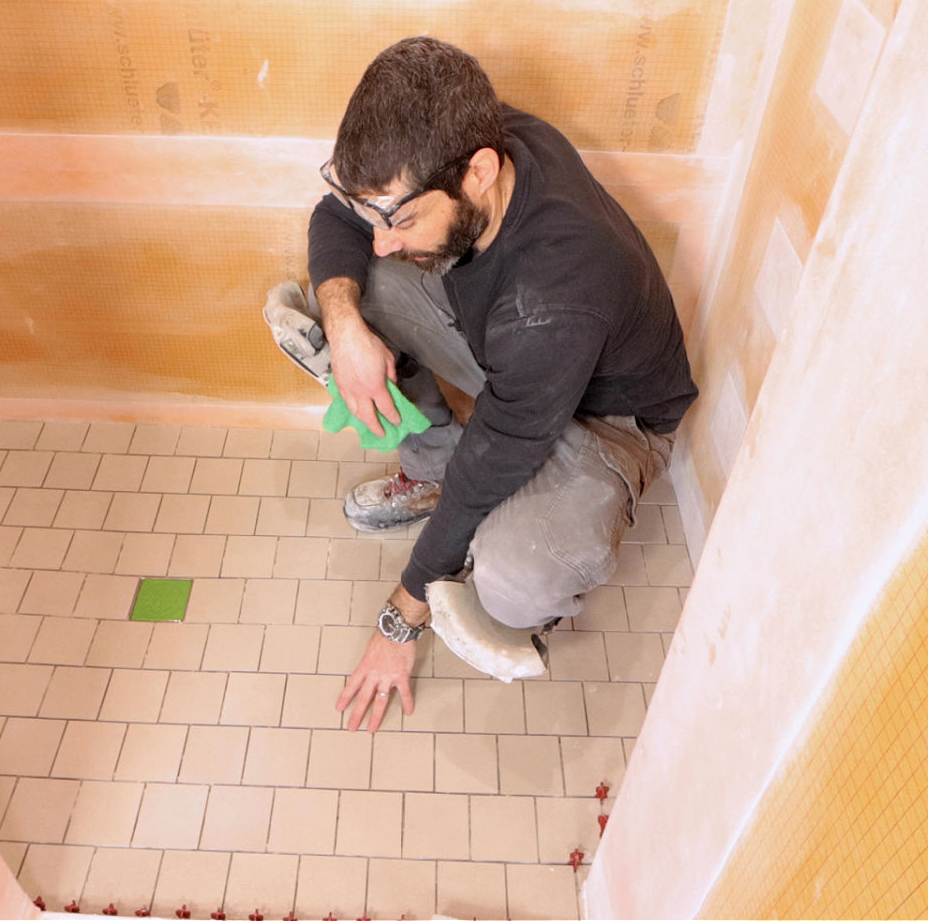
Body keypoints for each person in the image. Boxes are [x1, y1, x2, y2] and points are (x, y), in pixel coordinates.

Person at [296, 36, 697, 732]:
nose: (384, 236)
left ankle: (519, 578)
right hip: (520, 359)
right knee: (366, 286)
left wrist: (400, 618)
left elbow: (492, 460)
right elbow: (340, 220)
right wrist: (343, 326)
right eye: (379, 216)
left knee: (512, 576)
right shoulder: (471, 138)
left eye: (402, 218)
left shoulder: (555, 293)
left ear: (478, 172)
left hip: (613, 418)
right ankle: (431, 474)